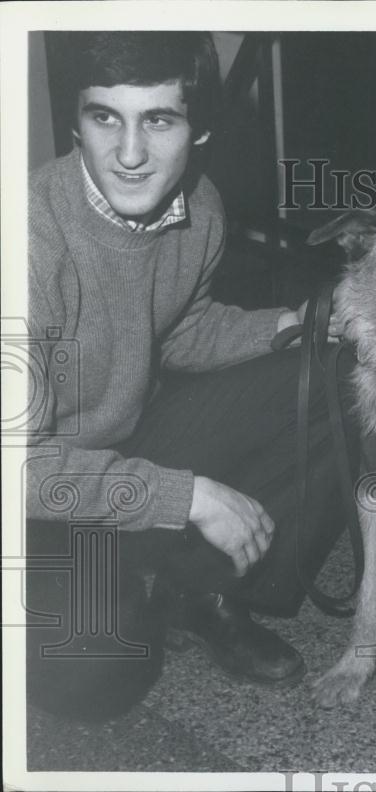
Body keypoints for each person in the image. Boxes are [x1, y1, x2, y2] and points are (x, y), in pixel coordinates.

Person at [25, 31, 343, 720]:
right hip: (29, 502)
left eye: (159, 120)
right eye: (104, 116)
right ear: (75, 120)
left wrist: (293, 323)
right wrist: (187, 496)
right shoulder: (24, 240)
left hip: (122, 448)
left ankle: (206, 589)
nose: (130, 154)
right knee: (92, 676)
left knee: (333, 369)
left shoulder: (200, 210)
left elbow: (182, 330)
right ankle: (141, 576)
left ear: (198, 131)